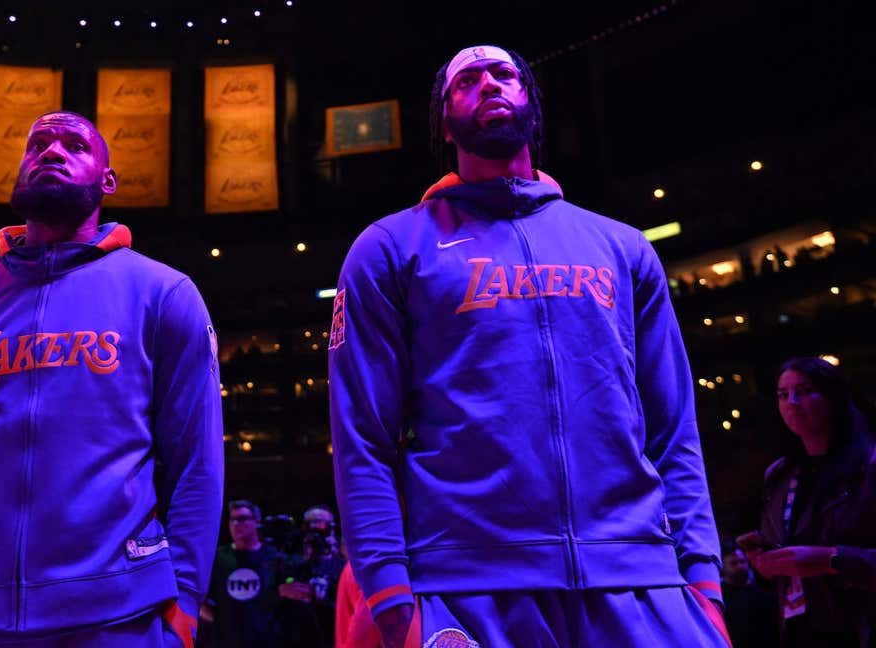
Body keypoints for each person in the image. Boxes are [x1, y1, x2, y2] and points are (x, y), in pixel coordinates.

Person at [329, 44, 731, 648]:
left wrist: (703, 581)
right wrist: (389, 597)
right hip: (467, 585)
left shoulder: (621, 247)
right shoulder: (390, 248)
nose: (488, 83)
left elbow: (674, 428)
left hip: (640, 580)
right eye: (467, 80)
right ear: (444, 121)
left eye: (504, 73)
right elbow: (361, 435)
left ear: (531, 107)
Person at [0, 110, 224, 648]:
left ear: (107, 182)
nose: (52, 152)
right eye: (38, 143)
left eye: (74, 146)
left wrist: (184, 606)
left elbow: (196, 462)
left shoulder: (165, 295)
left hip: (119, 613)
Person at [738, 357, 876, 645]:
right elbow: (783, 567)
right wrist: (764, 565)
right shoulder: (778, 474)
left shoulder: (870, 465)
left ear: (833, 397)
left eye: (804, 391)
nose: (792, 402)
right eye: (783, 394)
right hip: (801, 631)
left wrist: (832, 560)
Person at [203, 500, 283, 648]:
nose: (236, 524)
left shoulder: (274, 556)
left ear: (256, 521)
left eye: (242, 519)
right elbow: (200, 598)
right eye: (232, 520)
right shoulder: (218, 557)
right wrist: (219, 621)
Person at [276, 506, 347, 647]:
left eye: (320, 523)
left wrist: (318, 599)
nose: (315, 529)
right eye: (310, 524)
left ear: (332, 528)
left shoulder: (342, 567)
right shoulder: (290, 564)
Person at [719, 542, 778, 648]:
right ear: (723, 567)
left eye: (742, 561)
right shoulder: (719, 596)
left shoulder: (761, 591)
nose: (740, 566)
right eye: (733, 563)